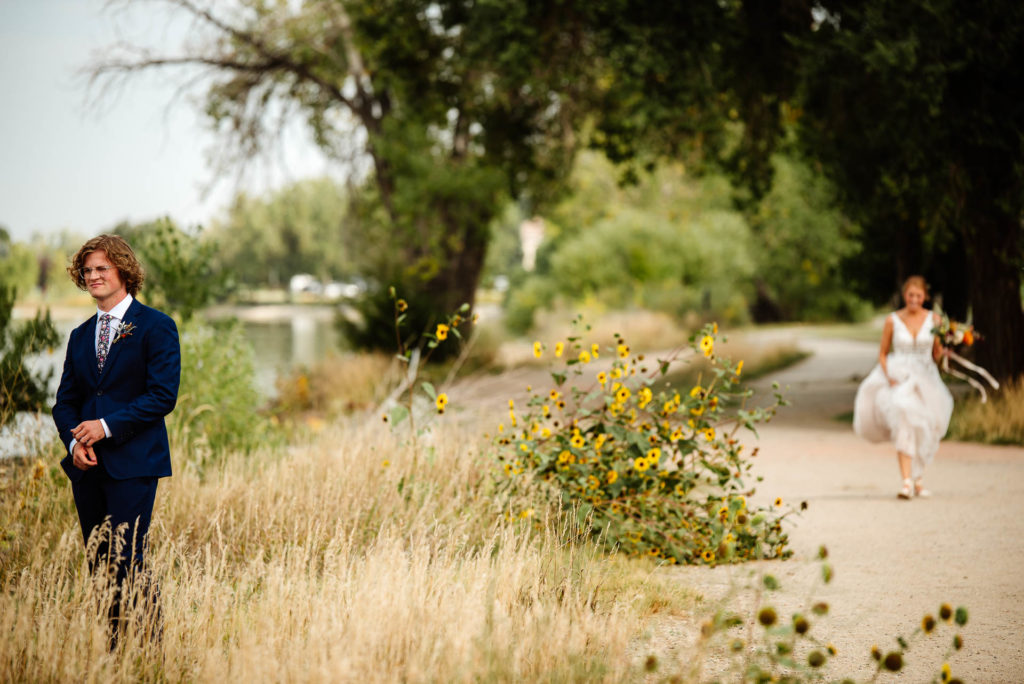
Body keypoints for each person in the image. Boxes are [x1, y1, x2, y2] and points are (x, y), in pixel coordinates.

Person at [52, 234, 180, 645]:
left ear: (123, 270)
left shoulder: (156, 327)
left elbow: (162, 396)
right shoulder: (79, 335)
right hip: (86, 467)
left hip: (135, 462)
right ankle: (114, 649)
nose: (93, 276)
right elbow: (64, 403)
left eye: (101, 268)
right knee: (99, 562)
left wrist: (103, 427)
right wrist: (75, 444)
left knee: (128, 558)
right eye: (87, 270)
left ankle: (151, 649)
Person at [853, 275, 953, 499]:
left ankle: (919, 480)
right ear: (904, 295)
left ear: (924, 297)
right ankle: (906, 481)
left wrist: (945, 352)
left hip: (926, 379)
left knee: (925, 425)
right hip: (899, 377)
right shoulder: (892, 320)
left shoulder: (935, 320)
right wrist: (888, 376)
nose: (914, 299)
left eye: (918, 296)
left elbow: (936, 354)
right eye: (910, 295)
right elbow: (882, 353)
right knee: (903, 420)